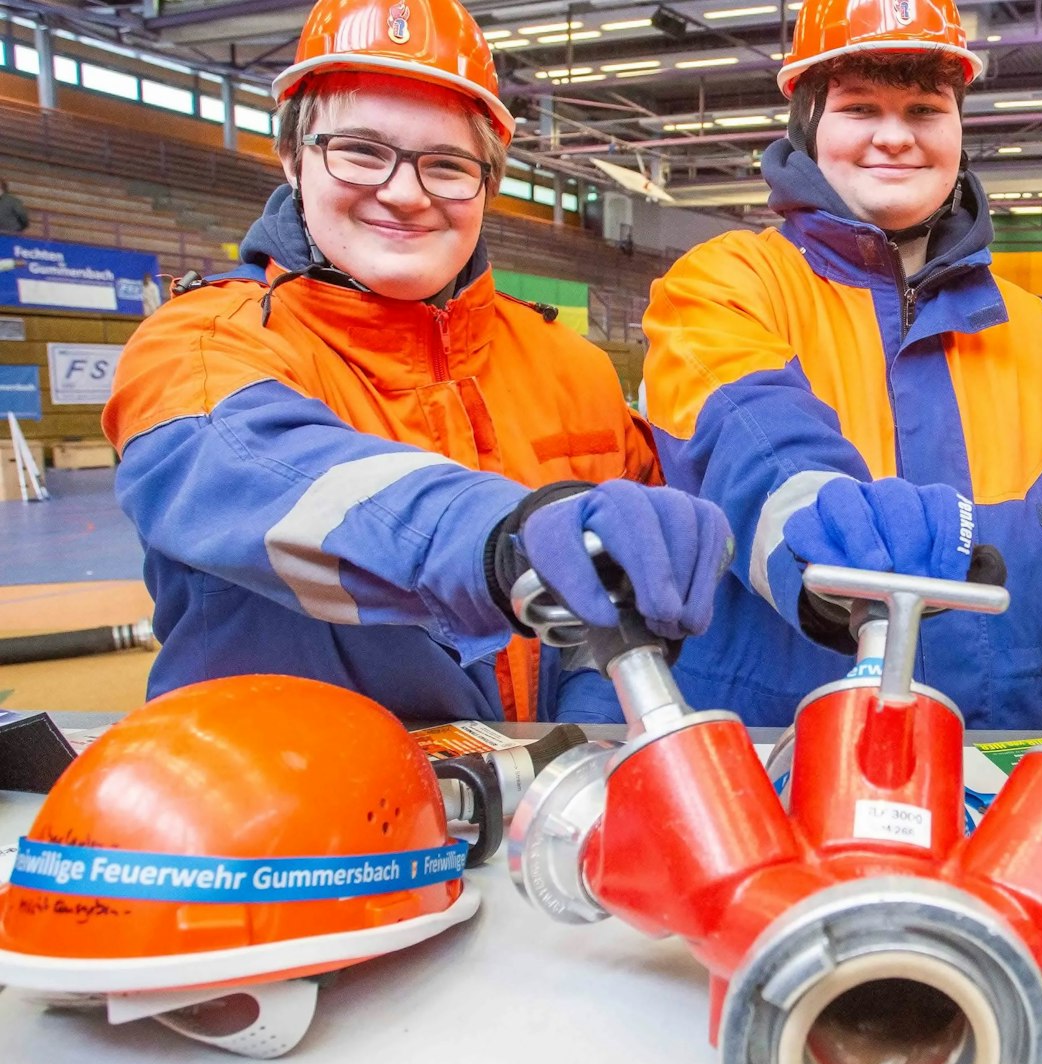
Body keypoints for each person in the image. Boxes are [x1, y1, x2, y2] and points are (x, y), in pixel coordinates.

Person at [102, 0, 730, 723]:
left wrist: (590, 708)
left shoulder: (572, 368)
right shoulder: (201, 346)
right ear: (292, 157)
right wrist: (503, 538)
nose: (404, 193)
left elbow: (626, 583)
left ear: (488, 183)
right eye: (361, 151)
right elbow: (260, 475)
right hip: (279, 812)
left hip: (526, 805)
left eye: (447, 164)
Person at [641, 0, 1042, 728]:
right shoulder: (725, 284)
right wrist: (832, 538)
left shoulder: (1023, 322)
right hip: (785, 755)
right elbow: (752, 445)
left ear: (958, 128)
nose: (895, 137)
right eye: (861, 109)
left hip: (1000, 754)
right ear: (809, 126)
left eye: (924, 109)